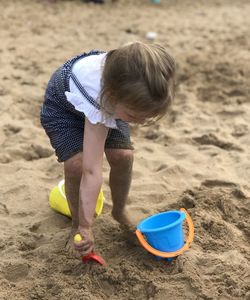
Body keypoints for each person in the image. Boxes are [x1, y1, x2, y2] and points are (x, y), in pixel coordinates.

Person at [40, 42, 176, 257]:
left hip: (110, 104)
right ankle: (77, 225)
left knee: (123, 155)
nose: (140, 122)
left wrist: (130, 112)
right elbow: (92, 170)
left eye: (146, 117)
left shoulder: (129, 82)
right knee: (77, 165)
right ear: (112, 97)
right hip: (63, 109)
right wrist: (86, 225)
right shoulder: (101, 97)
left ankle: (119, 211)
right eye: (134, 116)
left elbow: (134, 102)